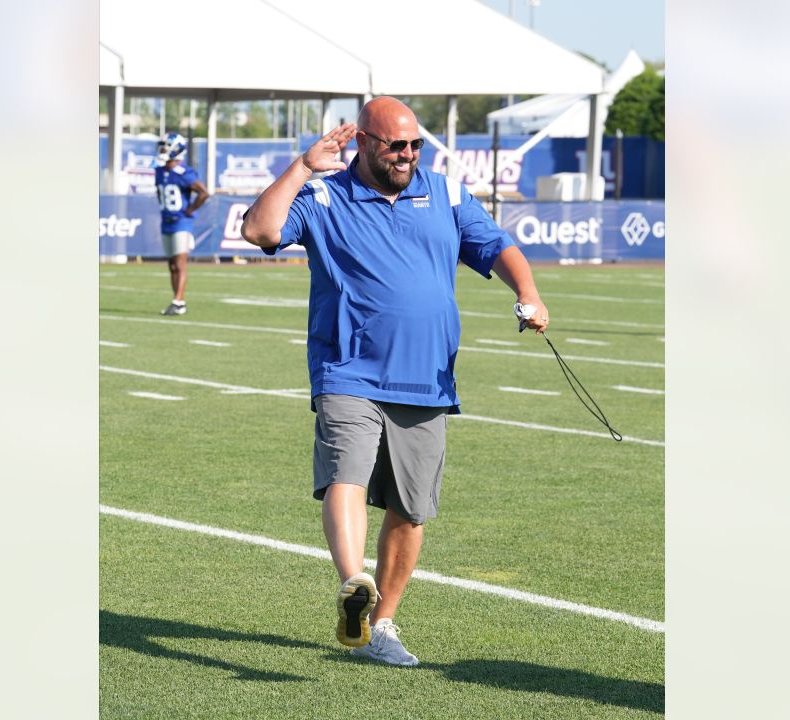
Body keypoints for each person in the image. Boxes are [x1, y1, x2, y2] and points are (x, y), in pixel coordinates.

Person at [240, 97, 549, 667]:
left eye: (414, 145)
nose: (407, 155)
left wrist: (527, 294)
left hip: (426, 377)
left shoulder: (447, 193)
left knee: (410, 511)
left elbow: (497, 247)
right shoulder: (324, 195)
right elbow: (260, 231)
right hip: (348, 370)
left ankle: (382, 625)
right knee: (346, 476)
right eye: (395, 145)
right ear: (363, 142)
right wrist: (302, 166)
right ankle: (353, 582)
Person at [154, 132, 210, 316]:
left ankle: (179, 301)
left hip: (181, 222)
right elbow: (159, 193)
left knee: (180, 263)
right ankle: (175, 301)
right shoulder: (160, 170)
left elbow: (204, 193)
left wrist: (190, 210)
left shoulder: (184, 172)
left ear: (175, 149)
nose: (162, 149)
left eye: (165, 146)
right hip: (166, 222)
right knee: (171, 265)